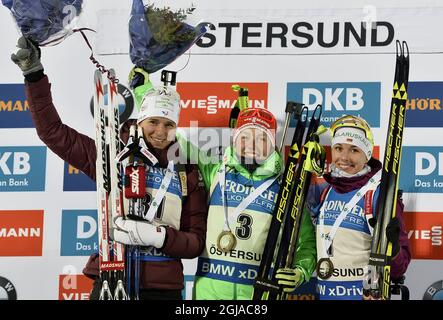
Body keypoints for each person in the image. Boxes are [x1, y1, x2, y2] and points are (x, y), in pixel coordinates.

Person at [11, 36, 208, 300]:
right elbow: (52, 132)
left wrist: (159, 236)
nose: (160, 132)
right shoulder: (110, 154)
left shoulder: (187, 172)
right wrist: (34, 76)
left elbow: (195, 242)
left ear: (176, 128)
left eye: (168, 124)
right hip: (111, 278)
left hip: (163, 288)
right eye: (153, 122)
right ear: (141, 121)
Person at [177, 107, 317, 300]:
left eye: (261, 138)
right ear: (234, 141)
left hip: (259, 295)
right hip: (208, 293)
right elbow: (176, 140)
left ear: (272, 144)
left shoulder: (286, 188)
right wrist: (149, 97)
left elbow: (307, 241)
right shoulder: (215, 172)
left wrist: (301, 272)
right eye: (244, 137)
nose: (251, 145)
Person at [305, 115, 411, 300]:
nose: (344, 157)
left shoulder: (380, 195)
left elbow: (399, 268)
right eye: (338, 148)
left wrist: (392, 250)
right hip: (325, 293)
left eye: (354, 150)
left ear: (367, 154)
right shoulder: (325, 191)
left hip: (364, 294)